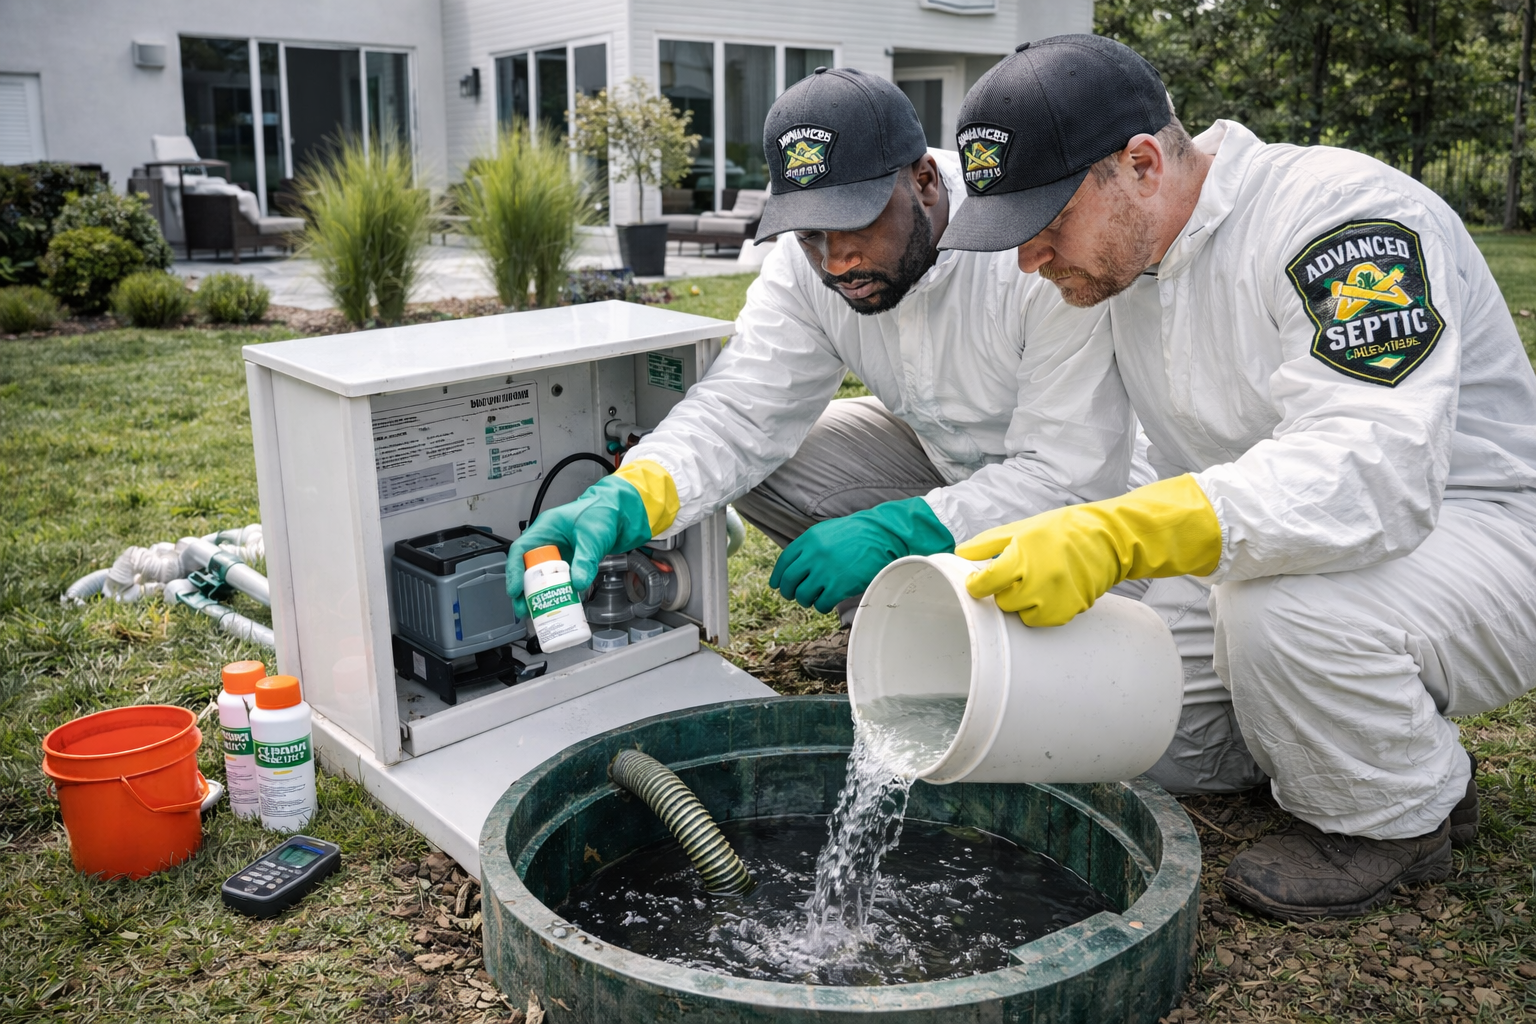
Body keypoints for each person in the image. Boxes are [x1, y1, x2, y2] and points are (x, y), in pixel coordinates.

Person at [939, 34, 1536, 920]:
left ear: (1141, 165)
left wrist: (1125, 534)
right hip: (1267, 541)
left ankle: (1401, 815)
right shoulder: (1124, 265)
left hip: (1473, 530)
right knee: (1149, 729)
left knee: (1282, 613)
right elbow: (1078, 454)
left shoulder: (1344, 218)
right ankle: (1340, 730)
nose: (1029, 258)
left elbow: (1373, 470)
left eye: (1046, 223)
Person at [506, 66, 1135, 681]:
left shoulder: (1028, 244)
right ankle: (898, 624)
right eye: (811, 233)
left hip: (1099, 500)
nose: (835, 262)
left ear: (923, 181)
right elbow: (742, 408)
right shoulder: (803, 263)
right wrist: (634, 493)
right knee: (767, 458)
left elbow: (1070, 474)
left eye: (857, 223)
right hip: (946, 462)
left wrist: (905, 529)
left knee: (1116, 693)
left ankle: (962, 624)